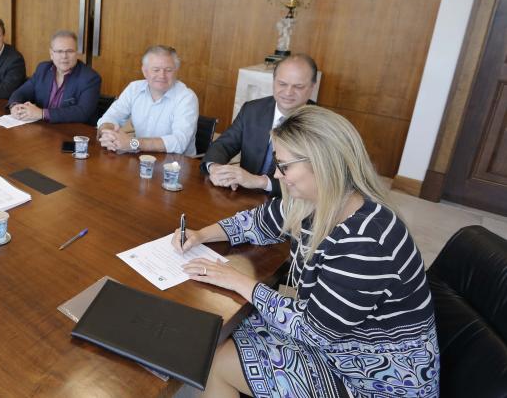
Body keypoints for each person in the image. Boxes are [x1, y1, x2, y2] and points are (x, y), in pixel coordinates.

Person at [173, 106, 439, 398]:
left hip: (375, 379)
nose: (276, 174)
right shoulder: (318, 201)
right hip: (342, 347)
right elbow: (256, 222)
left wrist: (238, 280)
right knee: (220, 336)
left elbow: (315, 331)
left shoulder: (366, 241)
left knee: (219, 363)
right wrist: (200, 235)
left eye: (284, 165)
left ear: (322, 164)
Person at [203, 53, 318, 194]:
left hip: (292, 205)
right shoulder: (252, 110)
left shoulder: (322, 125)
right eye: (282, 84)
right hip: (244, 196)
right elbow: (223, 145)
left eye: (298, 87)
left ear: (312, 87)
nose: (288, 92)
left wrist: (260, 182)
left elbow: (316, 182)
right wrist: (215, 168)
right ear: (273, 81)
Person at [96, 45, 199, 155]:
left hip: (175, 165)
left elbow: (179, 142)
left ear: (176, 71)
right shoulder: (134, 88)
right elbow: (110, 117)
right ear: (145, 71)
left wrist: (133, 143)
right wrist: (107, 134)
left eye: (168, 70)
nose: (162, 75)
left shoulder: (187, 98)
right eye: (156, 70)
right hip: (141, 158)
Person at [7, 30, 100, 124]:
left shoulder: (90, 78)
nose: (64, 56)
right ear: (51, 54)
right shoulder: (43, 69)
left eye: (70, 51)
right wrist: (15, 105)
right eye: (59, 51)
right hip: (42, 128)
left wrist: (42, 113)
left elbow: (82, 112)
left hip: (71, 132)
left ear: (77, 53)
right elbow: (22, 92)